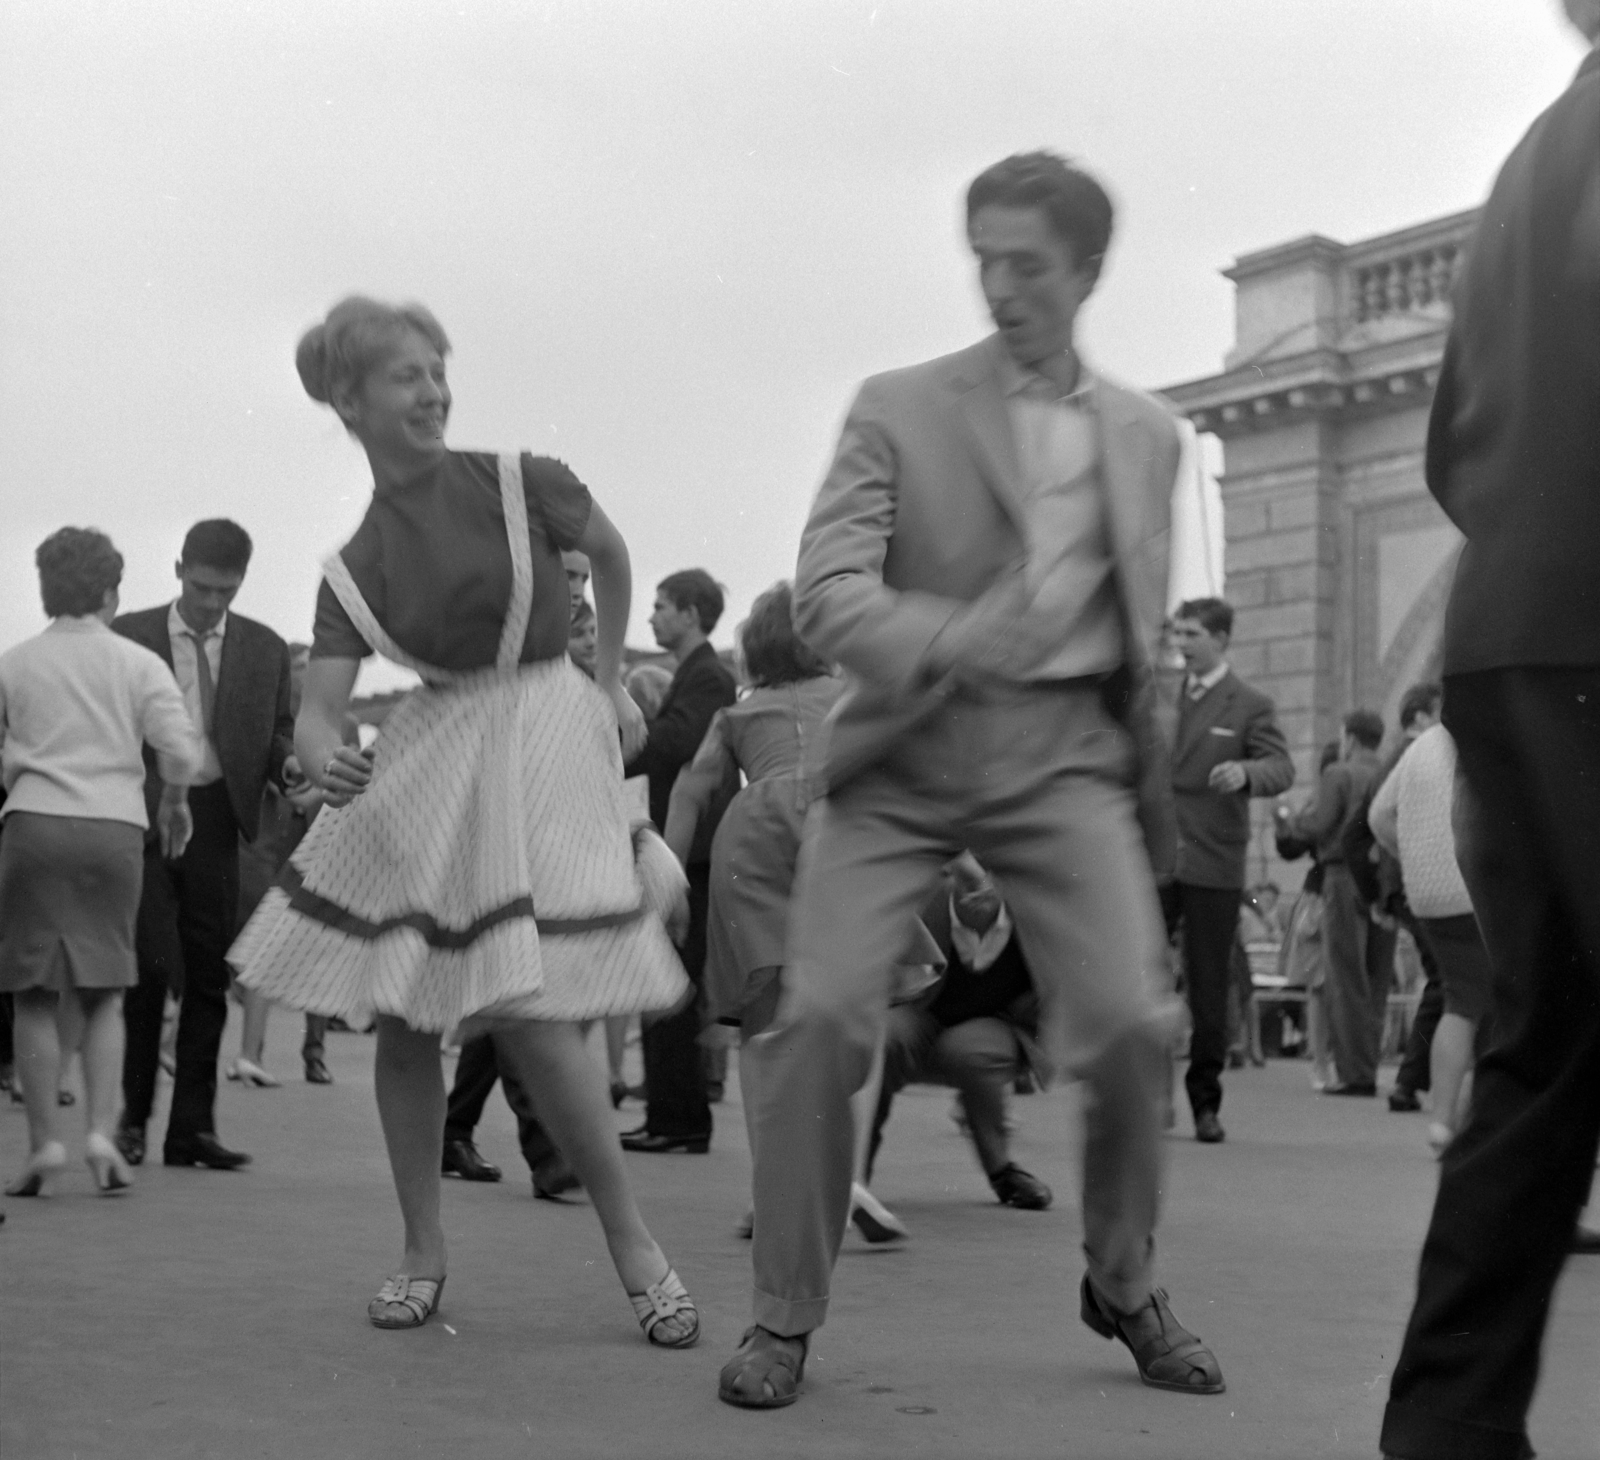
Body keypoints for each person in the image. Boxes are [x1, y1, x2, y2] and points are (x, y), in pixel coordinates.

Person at [719, 151, 1223, 1409]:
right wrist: (952, 635)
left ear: (1088, 272)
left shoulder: (1149, 436)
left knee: (1129, 1030)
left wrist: (1138, 771)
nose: (998, 285)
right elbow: (827, 591)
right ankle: (784, 1309)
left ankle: (1122, 1279)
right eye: (983, 258)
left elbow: (1138, 634)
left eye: (1027, 264)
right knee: (823, 1015)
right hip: (904, 761)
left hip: (1061, 765)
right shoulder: (897, 404)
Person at [229, 295, 698, 1346]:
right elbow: (316, 710)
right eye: (406, 374)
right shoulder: (354, 564)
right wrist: (323, 761)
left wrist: (610, 679)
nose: (433, 388)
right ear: (350, 400)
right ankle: (421, 1248)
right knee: (405, 1010)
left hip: (540, 738)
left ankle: (634, 1242)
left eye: (438, 369)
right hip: (434, 761)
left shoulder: (523, 478)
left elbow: (613, 557)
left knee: (530, 1006)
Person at [1380, 11, 1600, 1455]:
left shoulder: (1541, 151)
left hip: (1517, 634)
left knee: (1545, 1042)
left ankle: (1448, 1431)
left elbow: (1454, 434)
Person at [0, 528, 204, 1196]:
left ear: (44, 590)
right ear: (112, 592)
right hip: (115, 826)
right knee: (106, 991)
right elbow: (181, 749)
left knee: (32, 992)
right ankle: (101, 1134)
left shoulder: (16, 661)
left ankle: (40, 1145)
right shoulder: (139, 664)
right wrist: (174, 800)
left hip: (33, 824)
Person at [113, 519, 295, 1171]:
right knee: (149, 972)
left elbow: (278, 735)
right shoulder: (127, 636)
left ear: (241, 582)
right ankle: (132, 1121)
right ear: (177, 568)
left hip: (217, 821)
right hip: (141, 816)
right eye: (201, 587)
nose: (212, 604)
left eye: (226, 591)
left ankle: (190, 1129)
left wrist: (290, 770)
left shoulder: (266, 649)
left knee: (210, 974)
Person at [1163, 596, 1293, 1142]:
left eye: (1192, 633)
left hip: (1214, 860)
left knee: (1210, 985)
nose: (1182, 643)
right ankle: (1147, 1097)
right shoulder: (1160, 697)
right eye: (1178, 633)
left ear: (1221, 639)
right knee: (1142, 979)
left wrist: (1245, 771)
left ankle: (1205, 1103)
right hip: (1157, 857)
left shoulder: (1249, 703)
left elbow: (1281, 767)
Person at [619, 569, 737, 1154]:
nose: (652, 616)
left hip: (694, 853)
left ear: (691, 614)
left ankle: (679, 1119)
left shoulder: (708, 676)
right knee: (666, 978)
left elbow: (677, 742)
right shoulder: (701, 674)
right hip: (687, 850)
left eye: (663, 606)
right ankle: (673, 1115)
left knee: (667, 979)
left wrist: (620, 745)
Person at [867, 854, 1053, 1210]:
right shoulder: (923, 906)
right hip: (920, 1016)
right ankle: (850, 1175)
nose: (977, 893)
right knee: (882, 1038)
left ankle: (1002, 1172)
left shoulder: (1032, 916)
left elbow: (1058, 986)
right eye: (967, 882)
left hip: (995, 1025)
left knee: (969, 1049)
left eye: (988, 880)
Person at [1367, 724, 1490, 1156]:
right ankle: (1482, 1120)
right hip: (1478, 885)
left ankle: (1442, 1122)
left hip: (1428, 895)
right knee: (1502, 1005)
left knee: (1460, 1002)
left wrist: (1415, 853)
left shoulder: (1423, 743)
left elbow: (1378, 815)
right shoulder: (1487, 727)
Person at [229, 642, 339, 1086]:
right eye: (298, 668)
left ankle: (309, 1051)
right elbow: (278, 783)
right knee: (259, 949)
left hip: (313, 847)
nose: (305, 676)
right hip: (268, 846)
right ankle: (249, 1053)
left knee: (306, 947)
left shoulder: (337, 722)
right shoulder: (273, 728)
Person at [1282, 709, 1393, 1096]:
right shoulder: (1390, 768)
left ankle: (1353, 1073)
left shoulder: (1339, 774)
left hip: (1342, 877)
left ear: (1349, 738)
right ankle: (1370, 1064)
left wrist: (1288, 820)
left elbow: (1320, 824)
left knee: (1346, 976)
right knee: (1378, 977)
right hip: (1385, 880)